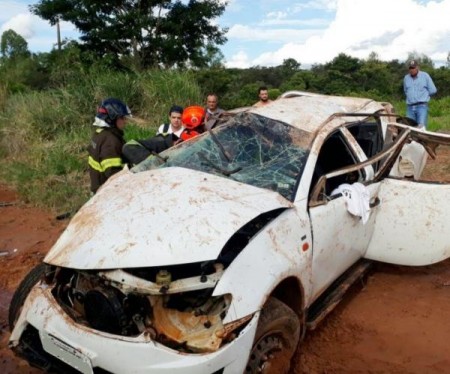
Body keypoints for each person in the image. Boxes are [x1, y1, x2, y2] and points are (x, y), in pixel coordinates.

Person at [88, 98, 132, 194]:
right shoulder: (110, 141)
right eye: (122, 118)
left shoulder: (99, 134)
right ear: (112, 119)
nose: (125, 121)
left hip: (98, 188)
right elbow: (113, 173)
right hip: (108, 194)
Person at [403, 60, 437, 129]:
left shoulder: (425, 76)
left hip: (422, 106)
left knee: (421, 128)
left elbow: (433, 90)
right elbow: (406, 91)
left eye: (413, 68)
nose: (412, 70)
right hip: (410, 107)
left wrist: (424, 95)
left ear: (417, 67)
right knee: (409, 129)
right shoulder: (406, 78)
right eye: (410, 68)